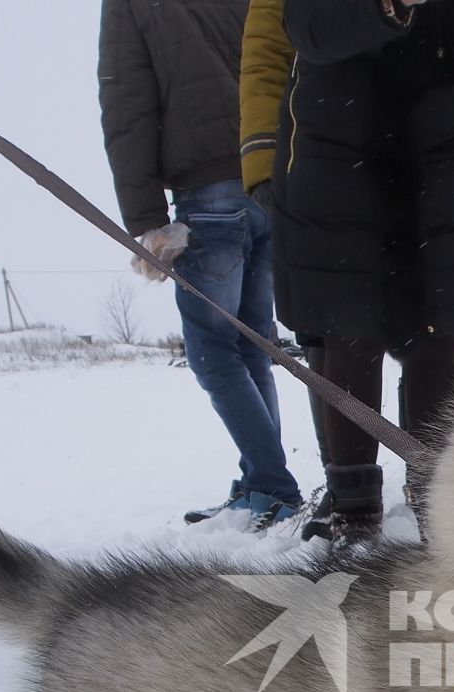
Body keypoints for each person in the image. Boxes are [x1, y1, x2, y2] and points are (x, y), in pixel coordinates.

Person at [262, 0, 454, 545]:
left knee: (439, 338)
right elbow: (307, 30)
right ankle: (354, 522)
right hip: (339, 151)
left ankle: (443, 514)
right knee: (349, 336)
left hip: (444, 159)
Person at [98, 0, 309, 531]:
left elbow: (127, 105)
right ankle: (262, 481)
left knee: (213, 350)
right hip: (269, 181)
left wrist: (147, 219)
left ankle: (272, 485)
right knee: (251, 343)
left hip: (208, 198)